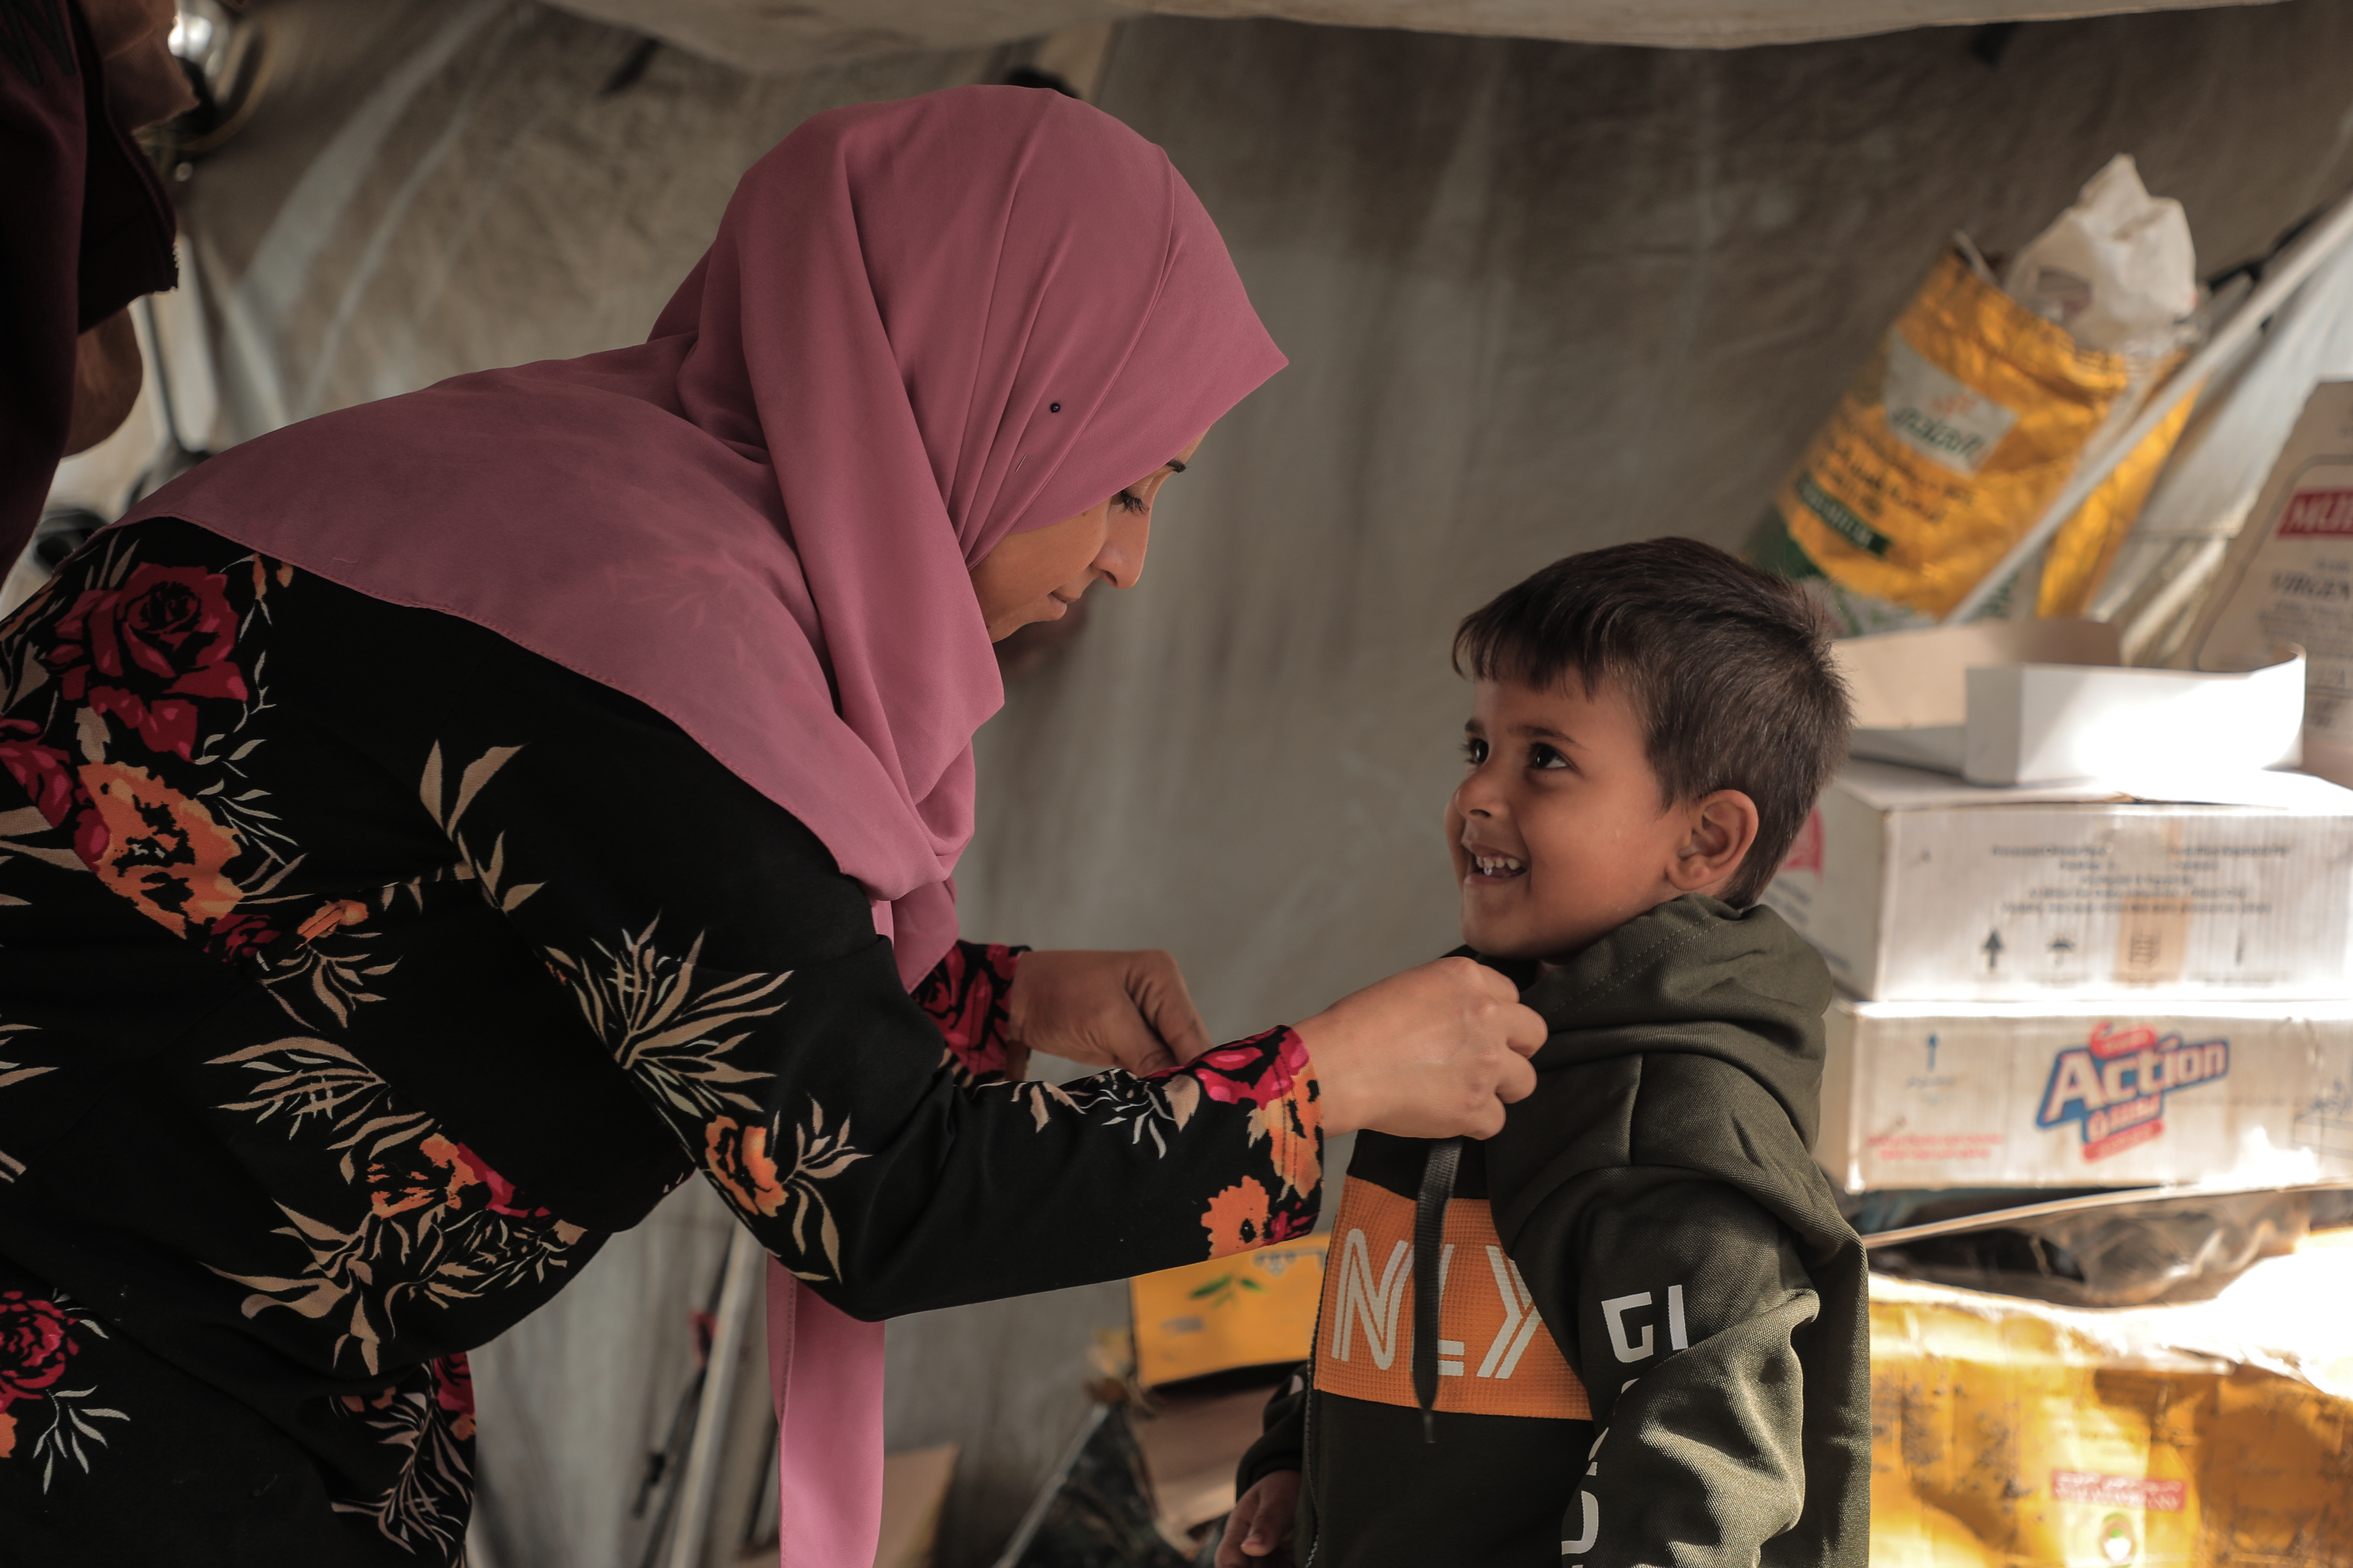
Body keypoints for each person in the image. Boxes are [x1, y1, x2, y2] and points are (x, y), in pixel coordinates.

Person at [0, 87, 1546, 1566]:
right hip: (91, 1376)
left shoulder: (556, 505)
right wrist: (1324, 1081)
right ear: (987, 396)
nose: (1128, 563)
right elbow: (881, 1195)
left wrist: (984, 999)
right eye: (1127, 488)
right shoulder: (647, 645)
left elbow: (576, 935)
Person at [1218, 539, 1870, 1568]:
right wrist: (1297, 1459)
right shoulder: (1450, 1042)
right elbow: (1383, 1310)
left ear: (1705, 842)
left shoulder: (1674, 1132)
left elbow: (1700, 1486)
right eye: (1478, 747)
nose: (1478, 795)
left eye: (1546, 760)